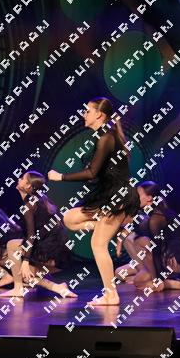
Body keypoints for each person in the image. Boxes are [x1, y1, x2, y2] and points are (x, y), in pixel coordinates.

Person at [48, 97, 140, 305]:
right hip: (108, 195)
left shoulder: (107, 137)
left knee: (98, 244)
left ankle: (111, 295)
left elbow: (91, 173)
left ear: (99, 114)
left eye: (88, 111)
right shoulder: (104, 136)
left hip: (117, 197)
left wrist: (60, 177)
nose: (84, 114)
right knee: (69, 218)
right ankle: (112, 228)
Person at [0, 171, 76, 299]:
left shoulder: (29, 205)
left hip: (51, 253)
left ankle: (19, 288)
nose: (19, 179)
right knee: (24, 268)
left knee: (17, 257)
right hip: (59, 252)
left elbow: (31, 236)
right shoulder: (41, 199)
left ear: (28, 186)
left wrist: (25, 262)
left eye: (23, 178)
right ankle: (56, 286)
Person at [115, 181, 180, 292]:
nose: (135, 198)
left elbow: (155, 248)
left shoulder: (157, 218)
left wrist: (156, 280)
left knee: (140, 243)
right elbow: (131, 227)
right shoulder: (150, 214)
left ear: (149, 198)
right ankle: (151, 277)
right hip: (163, 256)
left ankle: (171, 282)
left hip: (176, 260)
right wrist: (119, 243)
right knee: (121, 273)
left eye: (138, 195)